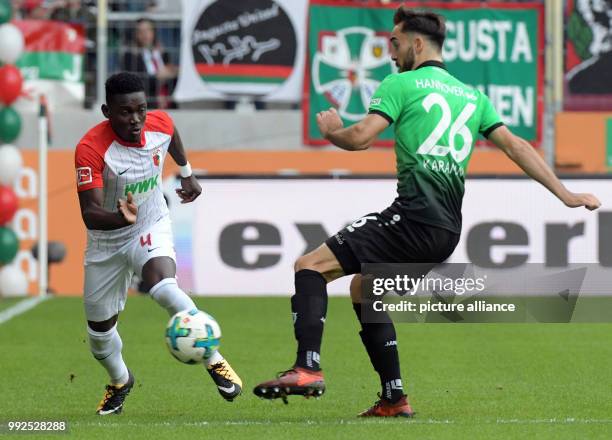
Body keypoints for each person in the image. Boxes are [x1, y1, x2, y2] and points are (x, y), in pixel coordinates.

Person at [253, 7, 601, 417]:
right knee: (366, 290)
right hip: (446, 232)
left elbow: (361, 138)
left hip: (413, 219)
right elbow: (518, 147)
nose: (391, 53)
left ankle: (306, 367)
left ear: (417, 45)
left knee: (309, 265)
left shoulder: (400, 84)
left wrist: (332, 131)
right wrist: (565, 194)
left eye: (395, 43)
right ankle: (394, 398)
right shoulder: (472, 96)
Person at [75, 72, 242, 415]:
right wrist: (120, 218)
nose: (135, 119)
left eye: (141, 109)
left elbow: (172, 135)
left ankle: (214, 358)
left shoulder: (159, 124)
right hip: (106, 243)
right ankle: (120, 380)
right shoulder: (90, 149)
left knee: (162, 285)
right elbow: (90, 213)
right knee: (99, 336)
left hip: (149, 223)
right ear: (107, 111)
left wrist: (187, 172)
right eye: (125, 112)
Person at [121, 18, 178, 109]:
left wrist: (174, 71)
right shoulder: (131, 56)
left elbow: (171, 73)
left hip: (168, 99)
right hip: (147, 103)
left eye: (148, 30)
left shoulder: (163, 52)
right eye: (140, 31)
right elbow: (134, 83)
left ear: (153, 32)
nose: (145, 34)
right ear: (136, 34)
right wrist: (157, 78)